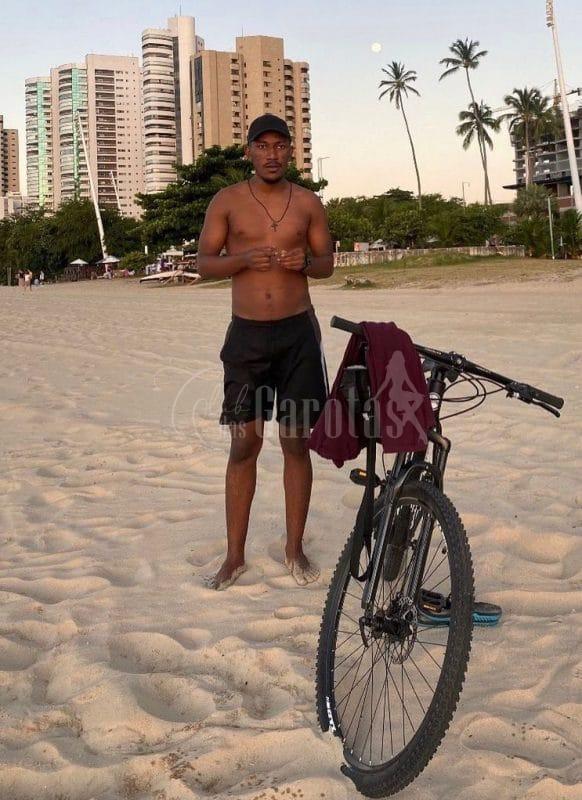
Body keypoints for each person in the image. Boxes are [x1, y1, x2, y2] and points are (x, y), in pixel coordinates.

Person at [197, 113, 334, 590]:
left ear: (291, 151)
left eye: (280, 145)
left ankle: (294, 548)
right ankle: (234, 556)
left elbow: (327, 263)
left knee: (296, 442)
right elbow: (204, 263)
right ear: (249, 152)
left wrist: (306, 262)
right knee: (244, 444)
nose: (272, 154)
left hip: (298, 338)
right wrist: (241, 259)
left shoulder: (308, 202)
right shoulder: (227, 201)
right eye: (263, 145)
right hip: (247, 340)